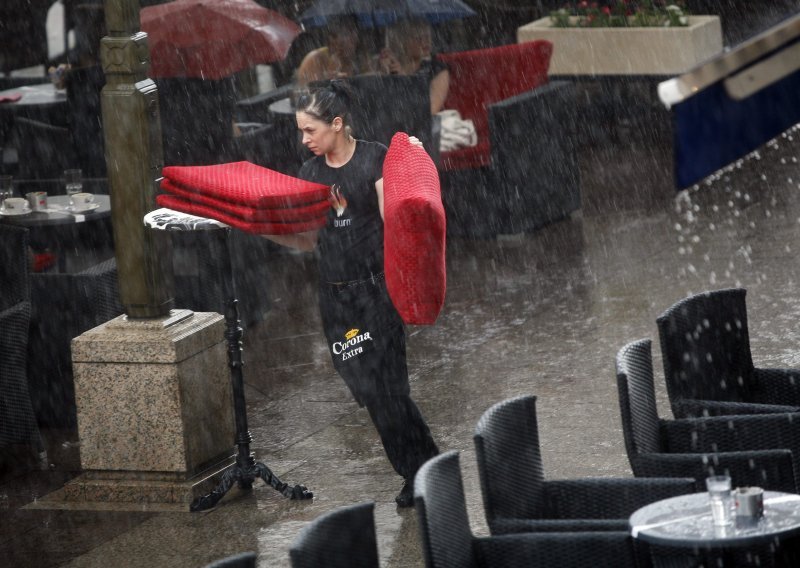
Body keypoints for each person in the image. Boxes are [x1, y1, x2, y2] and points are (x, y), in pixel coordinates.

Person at [265, 80, 439, 507]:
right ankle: (428, 461)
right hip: (336, 301)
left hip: (378, 295)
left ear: (337, 124)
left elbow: (395, 218)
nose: (303, 139)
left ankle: (418, 471)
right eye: (301, 131)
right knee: (369, 390)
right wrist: (265, 229)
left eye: (310, 130)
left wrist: (412, 160)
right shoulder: (310, 174)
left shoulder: (376, 159)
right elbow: (308, 240)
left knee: (389, 389)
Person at [378, 17, 449, 115]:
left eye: (427, 36)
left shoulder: (437, 70)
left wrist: (403, 79)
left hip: (422, 126)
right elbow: (381, 105)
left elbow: (430, 110)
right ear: (403, 40)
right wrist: (384, 75)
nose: (425, 41)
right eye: (418, 37)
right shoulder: (392, 66)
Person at [295, 17, 375, 86]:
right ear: (332, 39)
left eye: (354, 32)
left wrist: (383, 70)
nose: (353, 39)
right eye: (346, 34)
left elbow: (369, 86)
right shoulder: (315, 59)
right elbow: (311, 96)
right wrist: (330, 74)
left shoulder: (360, 58)